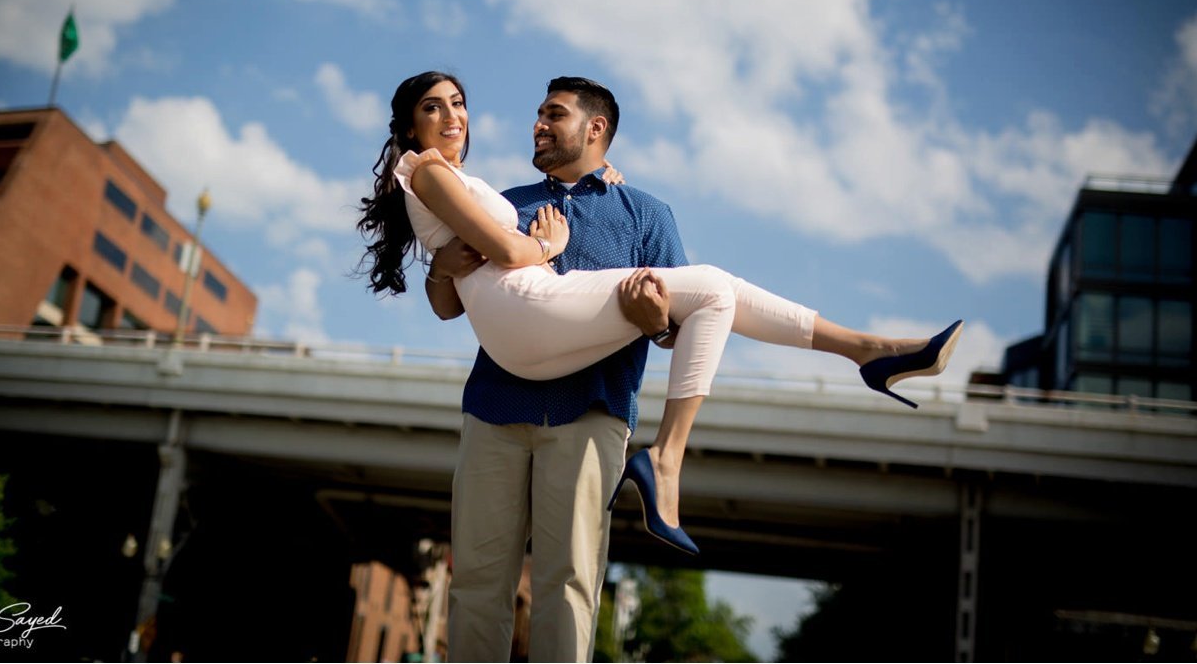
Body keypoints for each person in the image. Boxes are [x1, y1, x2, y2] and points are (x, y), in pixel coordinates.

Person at [357, 72, 963, 654]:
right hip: (497, 402)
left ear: (595, 129)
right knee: (478, 583)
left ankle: (867, 351)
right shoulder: (503, 199)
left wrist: (653, 322)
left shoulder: (644, 213)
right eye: (538, 114)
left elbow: (681, 331)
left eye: (552, 115)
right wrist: (453, 261)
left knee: (567, 586)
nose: (536, 124)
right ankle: (860, 354)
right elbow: (447, 299)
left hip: (588, 412)